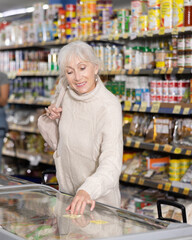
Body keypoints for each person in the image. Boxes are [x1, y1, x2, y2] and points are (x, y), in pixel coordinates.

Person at [45, 41, 123, 215]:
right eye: (70, 72)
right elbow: (58, 142)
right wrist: (53, 116)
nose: (77, 78)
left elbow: (112, 163)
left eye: (82, 68)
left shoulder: (109, 106)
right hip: (67, 199)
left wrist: (87, 190)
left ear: (95, 68)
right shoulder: (65, 90)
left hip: (99, 204)